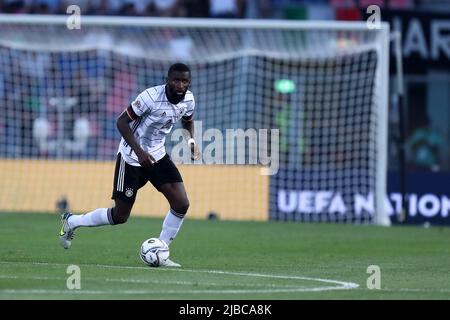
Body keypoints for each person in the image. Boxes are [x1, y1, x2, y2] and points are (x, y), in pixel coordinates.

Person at [58, 63, 200, 267]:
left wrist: (191, 143)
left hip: (157, 156)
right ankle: (72, 221)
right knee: (120, 215)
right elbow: (121, 122)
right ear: (167, 80)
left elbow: (187, 121)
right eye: (176, 80)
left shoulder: (189, 99)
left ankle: (162, 251)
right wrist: (139, 152)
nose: (180, 84)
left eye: (184, 81)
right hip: (131, 158)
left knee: (181, 203)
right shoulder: (149, 97)